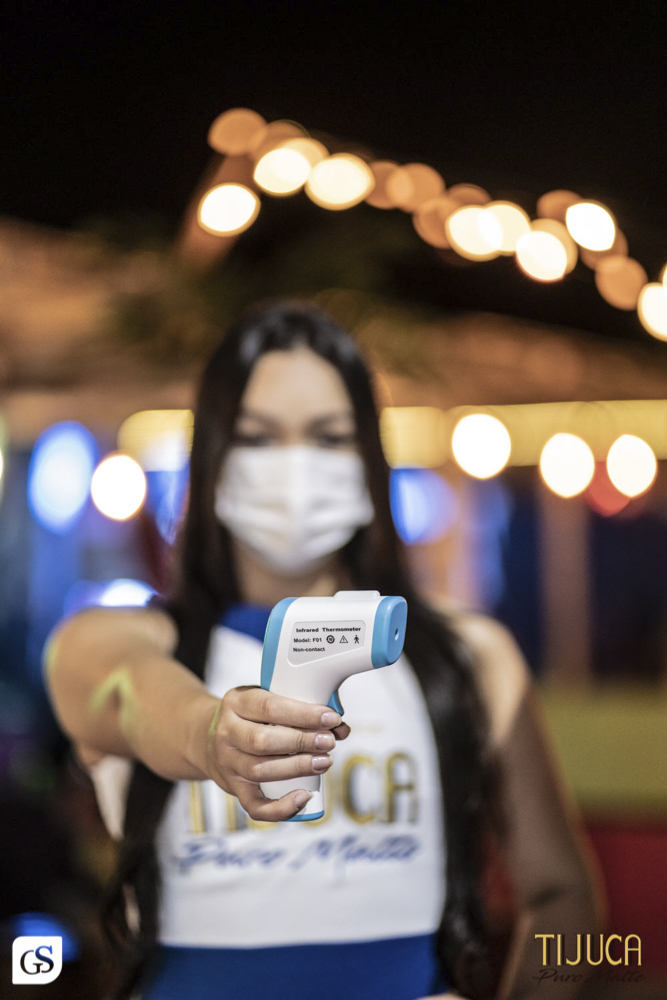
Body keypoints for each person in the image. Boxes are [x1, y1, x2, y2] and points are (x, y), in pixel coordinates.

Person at [45, 302, 600, 1000]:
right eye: (257, 437)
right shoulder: (116, 640)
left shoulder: (470, 658)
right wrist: (212, 734)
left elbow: (569, 904)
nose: (295, 466)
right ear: (212, 463)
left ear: (368, 462)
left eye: (328, 437)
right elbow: (128, 697)